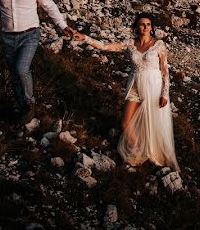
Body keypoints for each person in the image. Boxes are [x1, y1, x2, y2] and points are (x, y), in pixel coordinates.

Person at [71, 14, 179, 171]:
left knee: (152, 123)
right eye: (142, 24)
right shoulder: (130, 44)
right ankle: (137, 150)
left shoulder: (158, 45)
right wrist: (85, 38)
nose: (146, 27)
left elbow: (165, 71)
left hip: (153, 86)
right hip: (135, 85)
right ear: (136, 27)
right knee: (125, 123)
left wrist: (165, 94)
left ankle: (154, 154)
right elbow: (105, 46)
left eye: (148, 24)